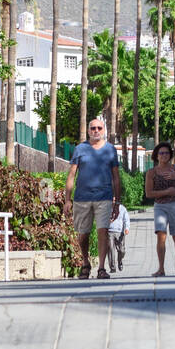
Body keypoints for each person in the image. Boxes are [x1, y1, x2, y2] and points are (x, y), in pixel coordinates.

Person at [63, 117, 121, 279]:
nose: (96, 131)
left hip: (104, 196)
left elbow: (116, 176)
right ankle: (85, 262)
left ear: (104, 131)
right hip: (82, 198)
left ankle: (101, 268)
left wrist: (118, 201)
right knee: (83, 234)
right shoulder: (80, 149)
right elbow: (71, 174)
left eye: (99, 128)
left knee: (103, 230)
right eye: (93, 128)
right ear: (88, 131)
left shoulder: (110, 150)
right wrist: (68, 199)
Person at [144, 142, 175, 276]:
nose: (164, 155)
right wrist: (167, 192)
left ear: (170, 155)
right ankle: (161, 268)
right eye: (161, 153)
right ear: (156, 156)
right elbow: (149, 193)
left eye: (166, 153)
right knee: (161, 235)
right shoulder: (151, 172)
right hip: (160, 206)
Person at [108, 196, 131, 272]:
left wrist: (127, 228)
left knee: (122, 250)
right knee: (111, 249)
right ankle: (113, 267)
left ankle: (120, 261)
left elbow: (126, 219)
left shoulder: (122, 209)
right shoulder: (106, 208)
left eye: (115, 200)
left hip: (120, 232)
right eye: (112, 200)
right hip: (110, 231)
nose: (113, 201)